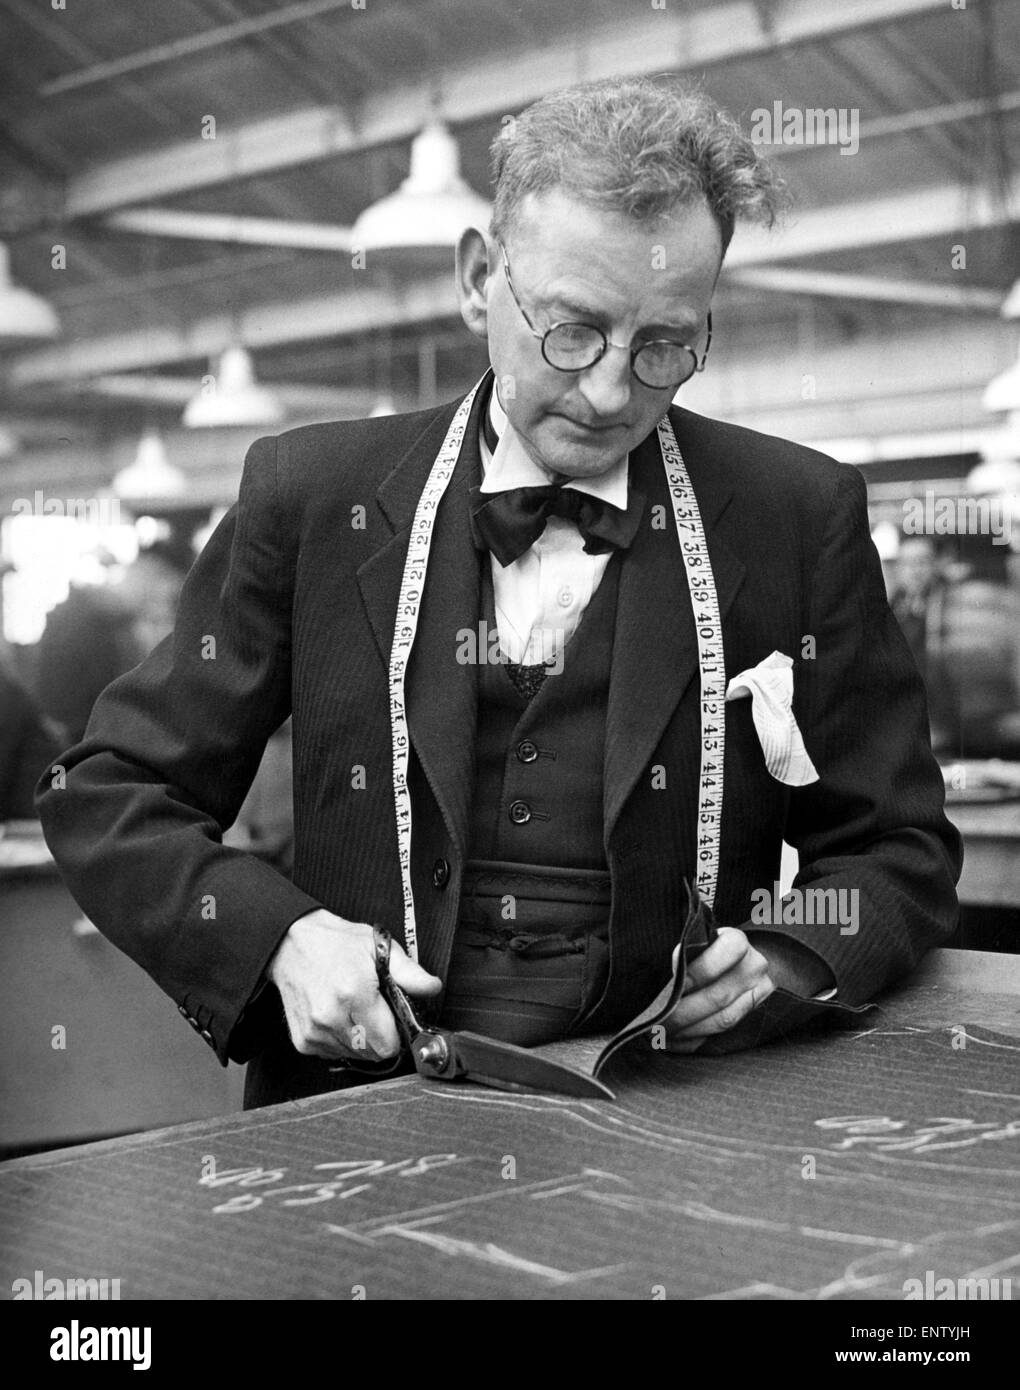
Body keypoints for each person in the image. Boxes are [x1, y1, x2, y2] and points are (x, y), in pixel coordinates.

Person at [37, 79, 961, 1108]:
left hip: (673, 1115)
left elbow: (898, 846)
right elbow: (109, 792)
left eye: (667, 345)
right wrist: (281, 938)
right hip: (358, 1114)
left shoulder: (795, 514)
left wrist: (795, 953)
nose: (613, 391)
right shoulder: (311, 498)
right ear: (481, 278)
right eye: (572, 331)